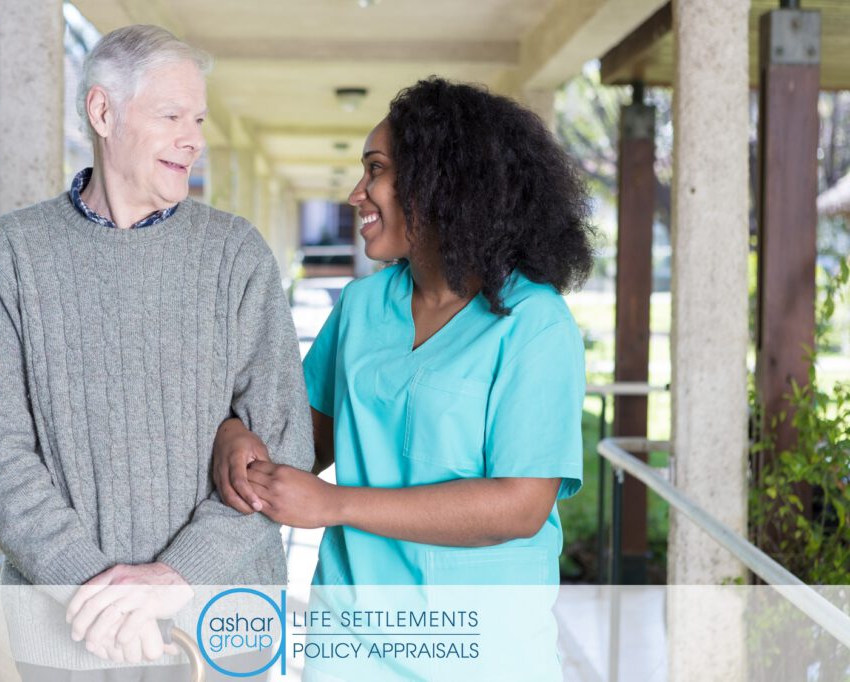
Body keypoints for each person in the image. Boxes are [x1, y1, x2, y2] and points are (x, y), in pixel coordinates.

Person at [0, 25, 312, 678]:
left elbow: (284, 445)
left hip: (221, 628)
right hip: (67, 633)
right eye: (172, 115)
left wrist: (177, 578)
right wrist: (93, 590)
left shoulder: (236, 255)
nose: (194, 138)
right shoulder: (14, 255)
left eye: (199, 119)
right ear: (102, 111)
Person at [213, 77, 594, 588]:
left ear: (442, 182)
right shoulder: (362, 306)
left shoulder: (535, 322)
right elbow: (301, 441)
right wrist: (234, 431)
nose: (356, 194)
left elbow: (520, 506)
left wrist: (336, 504)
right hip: (348, 626)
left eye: (376, 169)